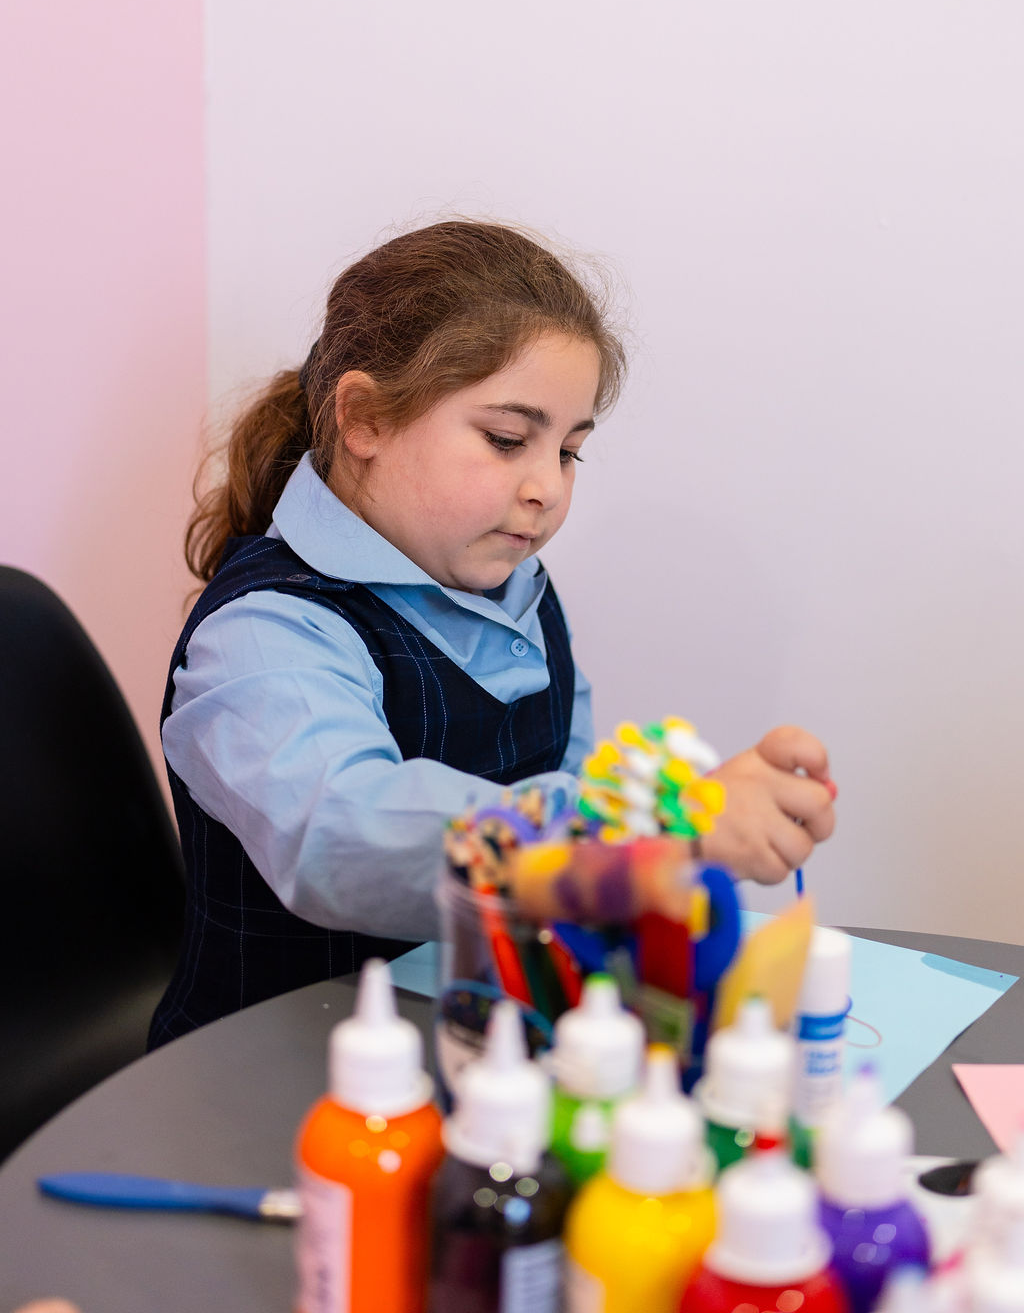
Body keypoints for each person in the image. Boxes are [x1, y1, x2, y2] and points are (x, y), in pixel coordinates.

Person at [149, 220, 836, 1047]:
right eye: (507, 440)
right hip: (273, 1078)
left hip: (485, 1051)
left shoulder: (519, 593)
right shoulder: (264, 633)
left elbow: (571, 777)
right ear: (364, 418)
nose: (546, 486)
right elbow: (345, 834)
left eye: (571, 451)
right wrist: (645, 835)